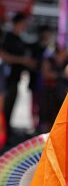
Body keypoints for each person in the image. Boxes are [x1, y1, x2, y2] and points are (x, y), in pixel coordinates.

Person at [0, 13, 36, 143]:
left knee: (9, 110)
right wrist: (22, 60)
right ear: (17, 23)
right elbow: (3, 55)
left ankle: (6, 135)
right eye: (23, 23)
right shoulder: (7, 37)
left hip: (16, 79)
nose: (25, 26)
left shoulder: (20, 39)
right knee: (3, 110)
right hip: (6, 81)